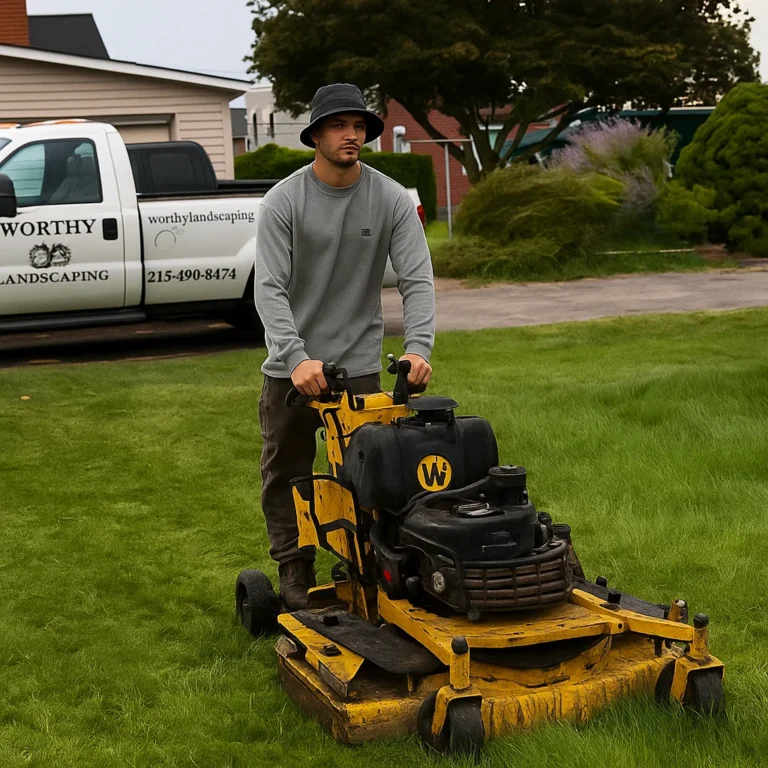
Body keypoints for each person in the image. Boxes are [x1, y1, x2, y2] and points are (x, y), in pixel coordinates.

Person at [254, 83, 436, 610]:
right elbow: (269, 288)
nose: (351, 135)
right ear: (316, 135)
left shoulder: (390, 199)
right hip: (292, 370)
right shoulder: (284, 201)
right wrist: (295, 358)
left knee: (371, 475)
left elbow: (417, 279)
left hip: (357, 365)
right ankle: (294, 568)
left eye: (358, 126)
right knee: (287, 472)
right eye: (339, 126)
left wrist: (419, 347)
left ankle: (368, 562)